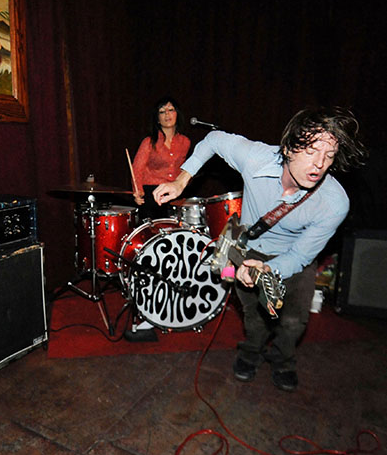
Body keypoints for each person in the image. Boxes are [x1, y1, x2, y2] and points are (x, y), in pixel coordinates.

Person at [153, 107, 367, 391]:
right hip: (249, 250)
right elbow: (214, 140)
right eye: (311, 151)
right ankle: (250, 354)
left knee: (293, 322)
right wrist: (182, 180)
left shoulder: (334, 203)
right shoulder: (256, 158)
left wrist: (268, 269)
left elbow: (300, 255)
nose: (319, 164)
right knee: (255, 318)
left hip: (293, 259)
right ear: (288, 147)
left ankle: (283, 361)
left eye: (329, 155)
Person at [131, 96, 190, 222]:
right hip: (151, 194)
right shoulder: (149, 142)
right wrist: (138, 192)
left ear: (177, 114)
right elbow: (137, 169)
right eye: (162, 112)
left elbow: (184, 169)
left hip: (174, 192)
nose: (167, 114)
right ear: (157, 119)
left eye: (171, 110)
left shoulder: (185, 142)